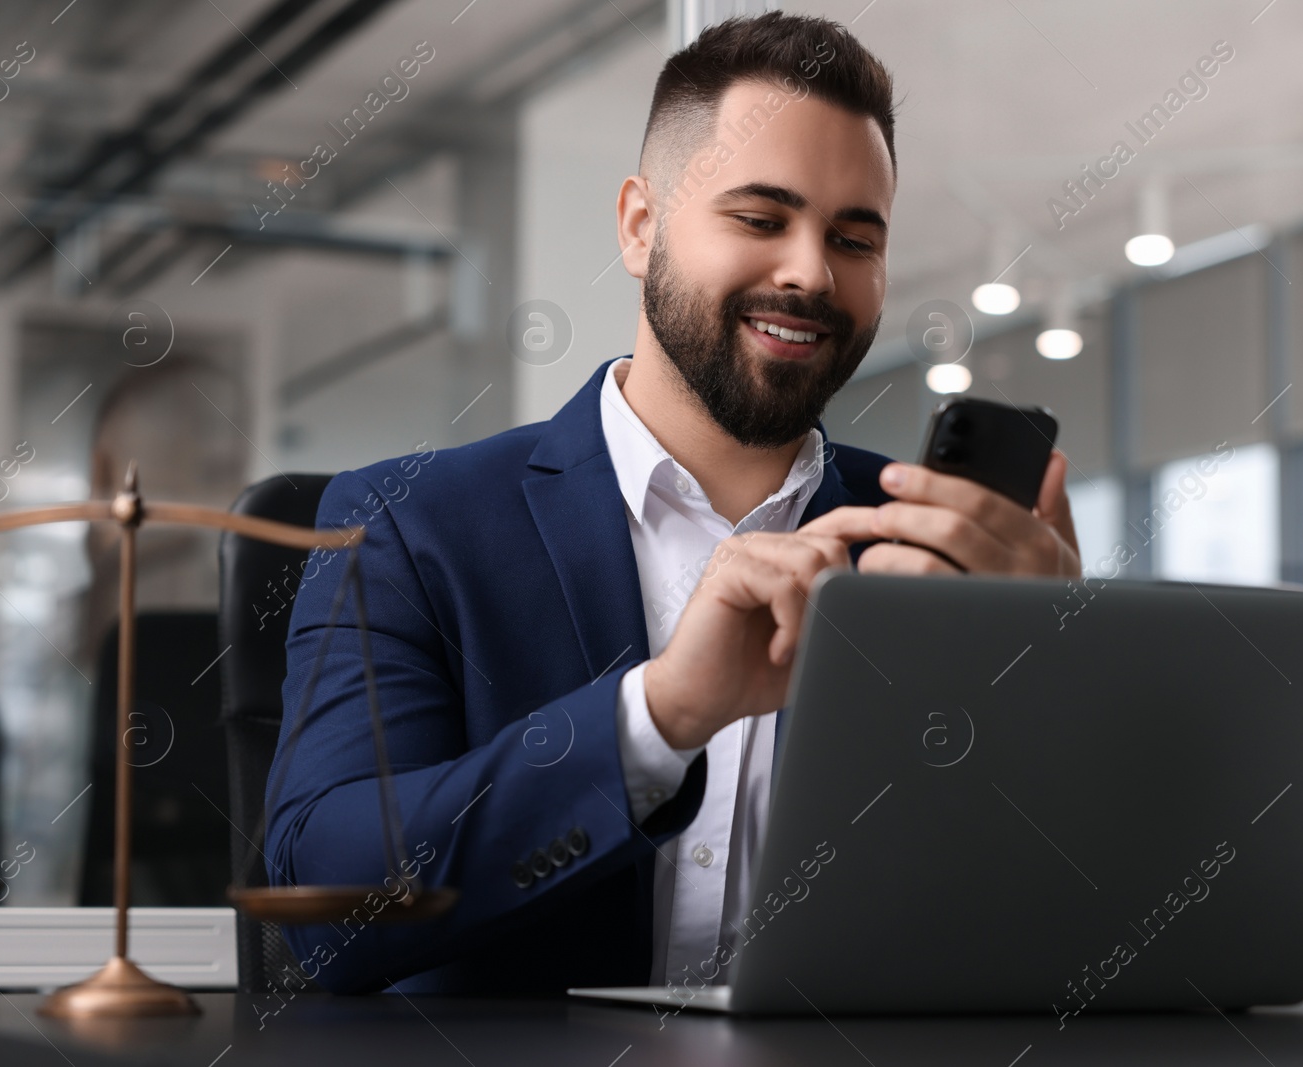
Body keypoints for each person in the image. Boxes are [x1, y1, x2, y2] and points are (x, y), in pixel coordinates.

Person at [266, 11, 1080, 996]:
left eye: (853, 237)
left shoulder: (934, 553)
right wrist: (659, 715)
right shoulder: (404, 522)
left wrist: (1056, 679)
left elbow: (1041, 926)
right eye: (760, 217)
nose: (810, 272)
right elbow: (328, 902)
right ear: (640, 226)